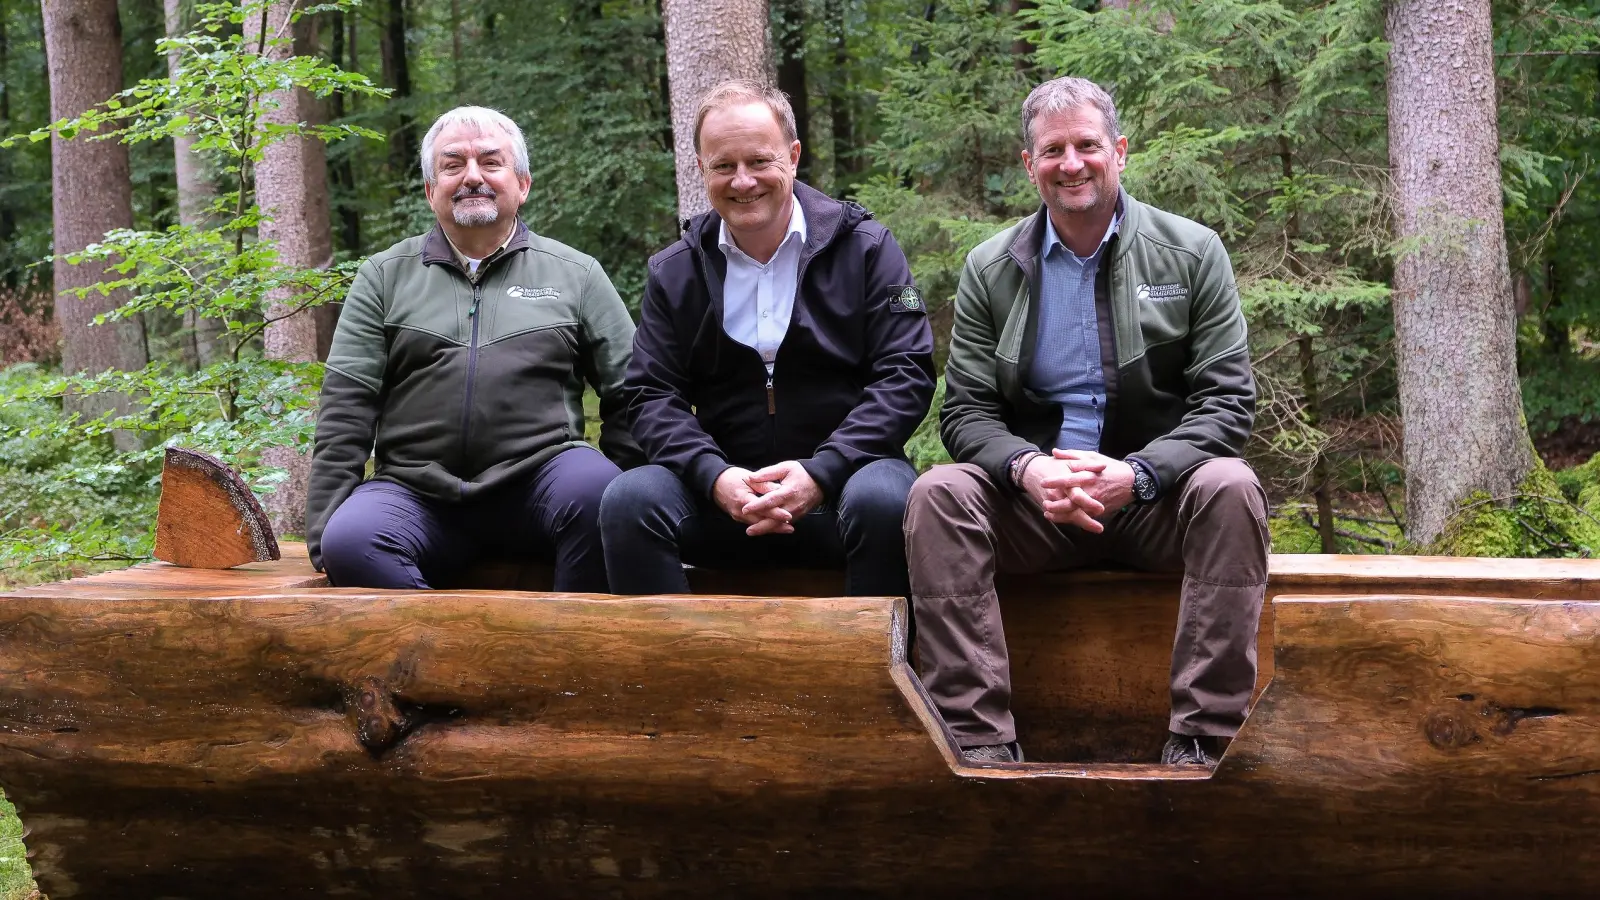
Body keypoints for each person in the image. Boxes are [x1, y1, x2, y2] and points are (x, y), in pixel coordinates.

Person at [905, 77, 1269, 766]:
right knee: (937, 495)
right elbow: (966, 410)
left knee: (1232, 487)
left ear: (1120, 151)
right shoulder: (991, 267)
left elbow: (1226, 403)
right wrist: (1027, 467)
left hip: (1154, 502)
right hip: (1037, 507)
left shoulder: (1192, 254)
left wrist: (1138, 474)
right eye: (1052, 150)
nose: (1071, 164)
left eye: (1087, 146)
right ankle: (979, 745)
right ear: (1029, 164)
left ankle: (1204, 741)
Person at [600, 80, 935, 597]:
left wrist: (821, 472)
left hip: (847, 485)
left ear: (794, 156)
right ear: (700, 169)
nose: (743, 181)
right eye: (723, 166)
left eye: (759, 161)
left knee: (888, 501)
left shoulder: (867, 250)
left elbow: (905, 374)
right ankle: (676, 673)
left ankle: (868, 673)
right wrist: (714, 477)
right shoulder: (675, 272)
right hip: (721, 500)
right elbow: (650, 396)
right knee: (629, 501)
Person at [306, 106, 640, 591]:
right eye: (452, 164)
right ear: (429, 189)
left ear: (522, 184)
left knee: (603, 496)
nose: (472, 177)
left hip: (542, 482)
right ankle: (448, 665)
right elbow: (345, 410)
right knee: (351, 540)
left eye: (490, 162)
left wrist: (627, 491)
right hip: (415, 493)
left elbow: (631, 392)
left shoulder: (577, 274)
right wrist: (324, 533)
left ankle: (565, 662)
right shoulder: (383, 276)